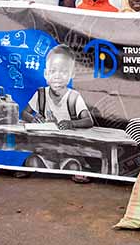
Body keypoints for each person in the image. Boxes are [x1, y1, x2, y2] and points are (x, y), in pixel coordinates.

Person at [21, 45, 93, 183]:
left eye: (64, 72)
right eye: (53, 71)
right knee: (32, 163)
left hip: (69, 152)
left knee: (73, 166)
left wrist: (71, 123)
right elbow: (24, 113)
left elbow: (88, 121)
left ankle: (69, 169)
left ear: (72, 74)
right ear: (46, 74)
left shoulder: (73, 97)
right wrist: (33, 118)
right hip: (44, 151)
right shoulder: (41, 94)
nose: (57, 76)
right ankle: (46, 168)